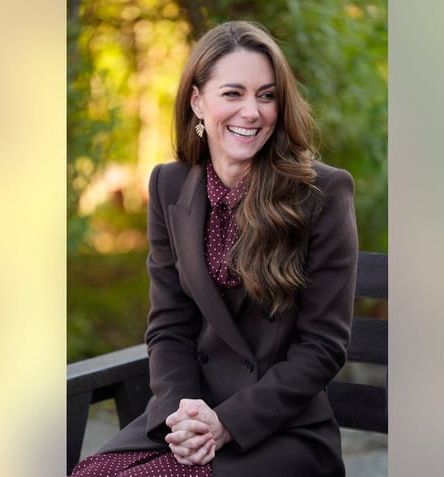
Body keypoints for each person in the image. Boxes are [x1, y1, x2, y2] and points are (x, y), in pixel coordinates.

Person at [71, 20, 358, 477]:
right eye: (233, 93)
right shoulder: (169, 184)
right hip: (187, 419)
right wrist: (180, 414)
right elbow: (169, 325)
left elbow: (322, 348)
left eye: (267, 95)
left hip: (278, 430)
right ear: (197, 101)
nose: (252, 112)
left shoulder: (321, 192)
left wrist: (226, 424)